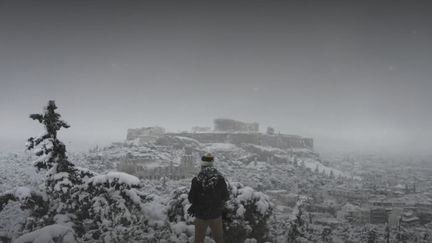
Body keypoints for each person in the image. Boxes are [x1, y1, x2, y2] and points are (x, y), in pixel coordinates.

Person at [188, 153, 229, 243]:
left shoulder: (197, 179)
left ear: (202, 165)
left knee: (198, 240)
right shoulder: (220, 178)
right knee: (219, 240)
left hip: (200, 215)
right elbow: (226, 196)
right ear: (212, 164)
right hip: (215, 215)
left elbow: (191, 198)